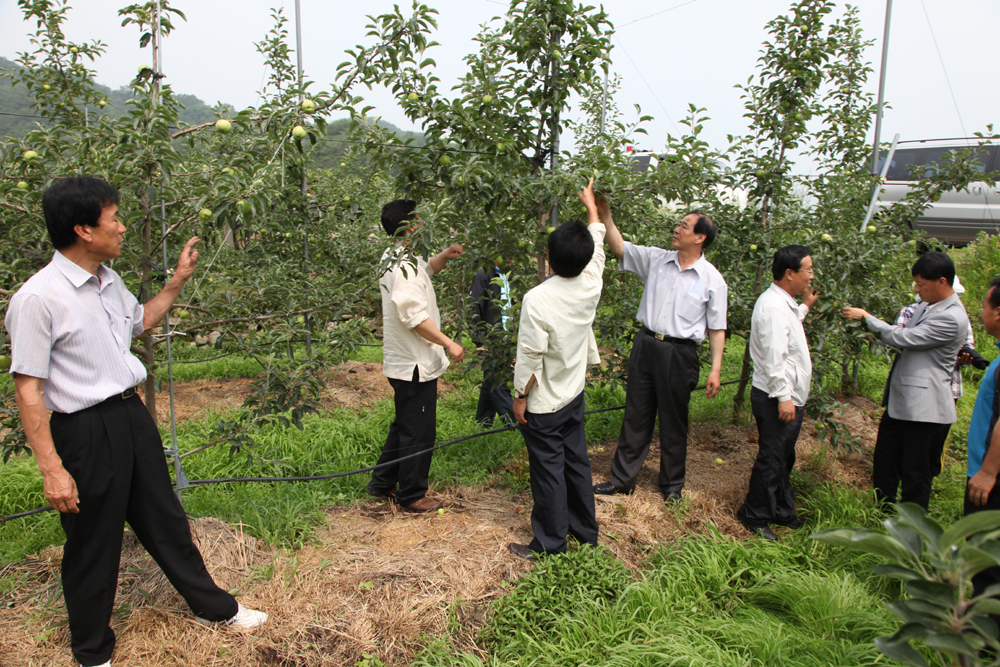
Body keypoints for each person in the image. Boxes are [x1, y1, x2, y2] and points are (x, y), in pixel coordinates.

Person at [5, 177, 266, 667]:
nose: (122, 227)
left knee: (164, 519)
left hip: (130, 415)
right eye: (114, 219)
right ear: (84, 229)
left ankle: (215, 608)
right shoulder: (38, 298)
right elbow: (28, 388)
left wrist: (177, 281)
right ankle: (92, 649)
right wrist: (52, 469)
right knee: (93, 541)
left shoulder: (108, 280)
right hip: (84, 429)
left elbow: (138, 322)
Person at [592, 205, 727, 503]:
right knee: (636, 413)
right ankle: (623, 478)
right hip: (646, 344)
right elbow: (619, 247)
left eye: (684, 226)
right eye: (678, 224)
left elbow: (717, 328)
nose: (676, 230)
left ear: (700, 237)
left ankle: (672, 485)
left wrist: (715, 369)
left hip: (680, 354)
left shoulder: (711, 280)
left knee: (673, 419)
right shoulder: (657, 260)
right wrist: (606, 215)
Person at [508, 178, 605, 560]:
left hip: (546, 401)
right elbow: (596, 250)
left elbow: (530, 357)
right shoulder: (591, 283)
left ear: (549, 258)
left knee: (548, 472)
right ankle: (585, 531)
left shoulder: (538, 299)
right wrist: (592, 209)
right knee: (577, 463)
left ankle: (550, 543)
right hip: (573, 392)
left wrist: (520, 398)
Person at [844, 251, 970, 510]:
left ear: (942, 282)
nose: (917, 289)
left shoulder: (952, 316)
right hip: (903, 401)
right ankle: (883, 511)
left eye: (921, 284)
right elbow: (900, 334)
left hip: (925, 407)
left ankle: (912, 526)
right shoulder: (927, 306)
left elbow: (906, 338)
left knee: (916, 470)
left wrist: (867, 318)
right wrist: (874, 334)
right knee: (885, 459)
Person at [367, 199, 466, 513]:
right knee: (419, 430)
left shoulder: (399, 256)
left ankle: (382, 482)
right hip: (414, 362)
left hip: (405, 361)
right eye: (420, 219)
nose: (425, 223)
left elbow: (426, 270)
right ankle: (411, 494)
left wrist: (444, 257)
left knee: (405, 425)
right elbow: (413, 315)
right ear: (410, 226)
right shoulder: (402, 266)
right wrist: (449, 343)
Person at [736, 246, 818, 541]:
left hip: (785, 395)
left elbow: (787, 330)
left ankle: (782, 510)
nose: (811, 276)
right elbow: (774, 356)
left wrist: (805, 306)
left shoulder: (783, 304)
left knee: (783, 457)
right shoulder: (773, 306)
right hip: (776, 397)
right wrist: (784, 396)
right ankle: (754, 514)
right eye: (807, 270)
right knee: (772, 457)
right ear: (789, 273)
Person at [962, 277, 1000, 613]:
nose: (981, 311)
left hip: (992, 479)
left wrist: (988, 471)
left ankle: (984, 645)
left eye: (985, 305)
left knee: (985, 559)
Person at [469, 258, 515, 427]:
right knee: (499, 382)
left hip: (507, 339)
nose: (512, 258)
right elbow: (473, 307)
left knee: (491, 380)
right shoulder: (484, 274)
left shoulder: (509, 275)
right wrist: (480, 341)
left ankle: (483, 422)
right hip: (492, 340)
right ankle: (514, 424)